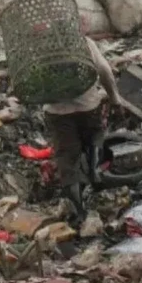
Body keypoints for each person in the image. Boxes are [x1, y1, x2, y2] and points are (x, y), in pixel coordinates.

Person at [44, 37, 122, 220]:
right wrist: (115, 99)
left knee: (67, 157)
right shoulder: (83, 42)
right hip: (88, 106)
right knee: (94, 141)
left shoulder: (41, 48)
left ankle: (78, 211)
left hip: (57, 112)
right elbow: (103, 70)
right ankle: (97, 180)